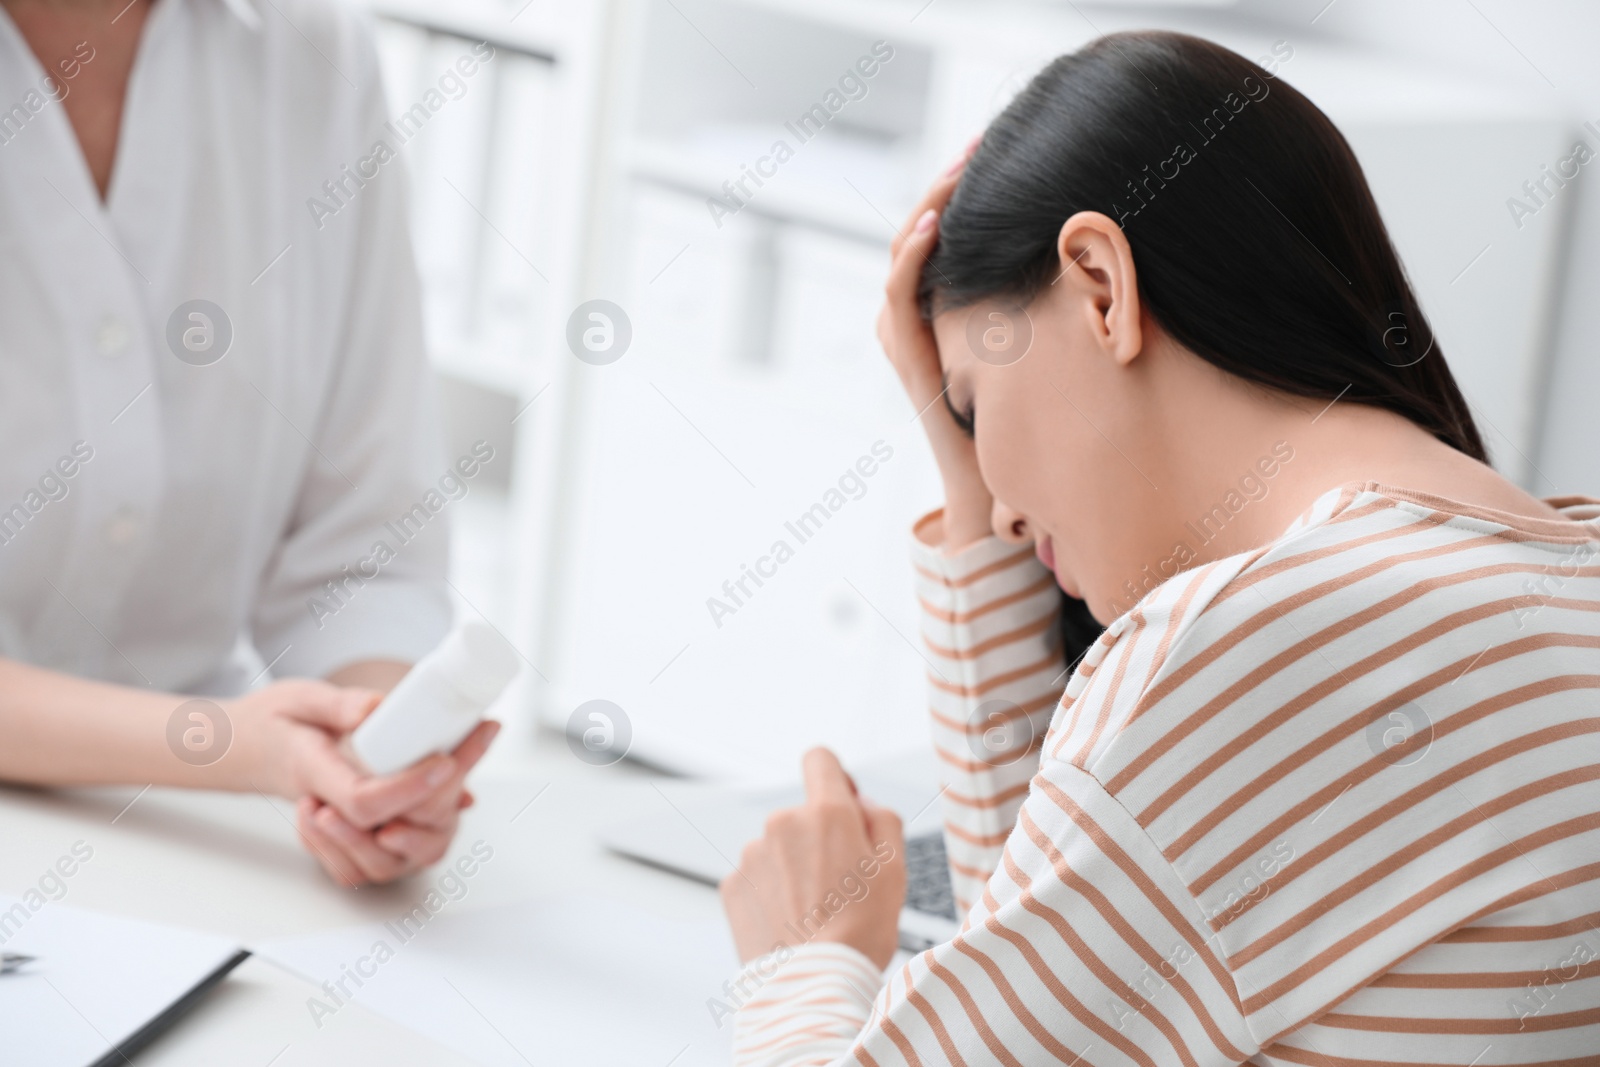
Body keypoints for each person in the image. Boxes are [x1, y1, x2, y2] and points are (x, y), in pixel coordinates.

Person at [719, 30, 1600, 1065]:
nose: (1001, 515)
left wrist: (801, 955)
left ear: (1099, 283)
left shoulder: (1254, 646)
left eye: (972, 401)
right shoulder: (1546, 585)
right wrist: (971, 467)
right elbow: (1068, 954)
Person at [0, 0, 497, 887]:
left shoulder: (311, 48)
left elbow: (365, 552)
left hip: (195, 847)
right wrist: (239, 749)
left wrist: (369, 749)